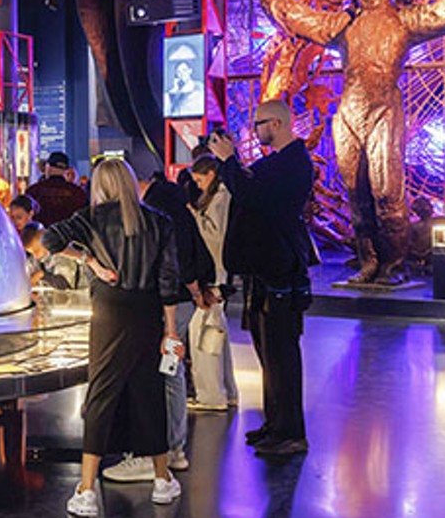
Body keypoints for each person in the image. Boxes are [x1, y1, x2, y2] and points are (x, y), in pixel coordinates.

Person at [40, 158, 184, 518]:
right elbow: (169, 281)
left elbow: (48, 239)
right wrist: (169, 330)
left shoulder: (92, 217)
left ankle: (87, 490)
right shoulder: (159, 221)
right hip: (147, 312)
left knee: (101, 393)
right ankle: (162, 480)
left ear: (100, 185)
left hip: (110, 310)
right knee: (150, 394)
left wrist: (89, 261)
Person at [208, 101, 317, 457]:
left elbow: (254, 196)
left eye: (258, 124)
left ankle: (290, 431)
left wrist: (230, 161)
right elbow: (251, 188)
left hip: (280, 271)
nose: (254, 131)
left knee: (282, 356)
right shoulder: (277, 162)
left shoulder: (294, 163)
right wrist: (233, 163)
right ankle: (275, 424)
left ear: (278, 123)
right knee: (268, 354)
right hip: (266, 269)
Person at [103, 148, 215, 483]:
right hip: (179, 300)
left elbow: (174, 261)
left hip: (171, 303)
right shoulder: (171, 200)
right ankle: (171, 449)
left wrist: (189, 290)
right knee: (171, 372)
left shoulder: (156, 209)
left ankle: (157, 453)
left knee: (161, 373)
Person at [186, 155, 238, 411]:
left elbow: (215, 236)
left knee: (204, 336)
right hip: (218, 273)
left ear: (210, 175)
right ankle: (225, 391)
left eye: (199, 180)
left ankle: (211, 395)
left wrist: (194, 216)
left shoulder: (220, 198)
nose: (198, 186)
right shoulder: (220, 196)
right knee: (216, 333)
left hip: (215, 273)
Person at [26, 152, 89, 227]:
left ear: (48, 168)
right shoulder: (78, 193)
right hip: (70, 233)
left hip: (41, 233)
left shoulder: (33, 191)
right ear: (66, 170)